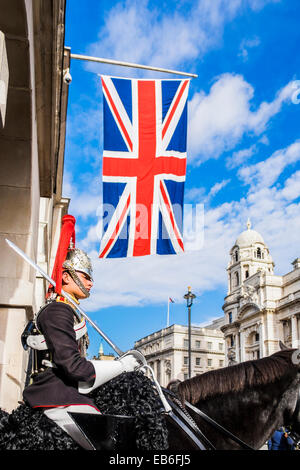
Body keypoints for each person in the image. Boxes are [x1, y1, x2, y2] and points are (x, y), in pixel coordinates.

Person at [22, 215, 139, 449]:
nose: (90, 283)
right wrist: (121, 366)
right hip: (57, 396)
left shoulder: (67, 311)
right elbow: (73, 367)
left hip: (67, 393)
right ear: (66, 276)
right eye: (86, 276)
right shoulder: (57, 311)